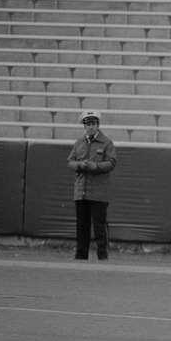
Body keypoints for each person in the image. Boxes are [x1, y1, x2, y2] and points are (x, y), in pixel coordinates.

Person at [67, 110, 117, 261]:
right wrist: (80, 164)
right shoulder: (79, 142)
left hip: (98, 192)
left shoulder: (107, 142)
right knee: (82, 227)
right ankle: (81, 257)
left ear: (98, 125)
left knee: (99, 227)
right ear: (84, 126)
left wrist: (96, 166)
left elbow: (112, 162)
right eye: (88, 124)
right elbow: (70, 161)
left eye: (93, 124)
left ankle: (103, 257)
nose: (91, 127)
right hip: (81, 192)